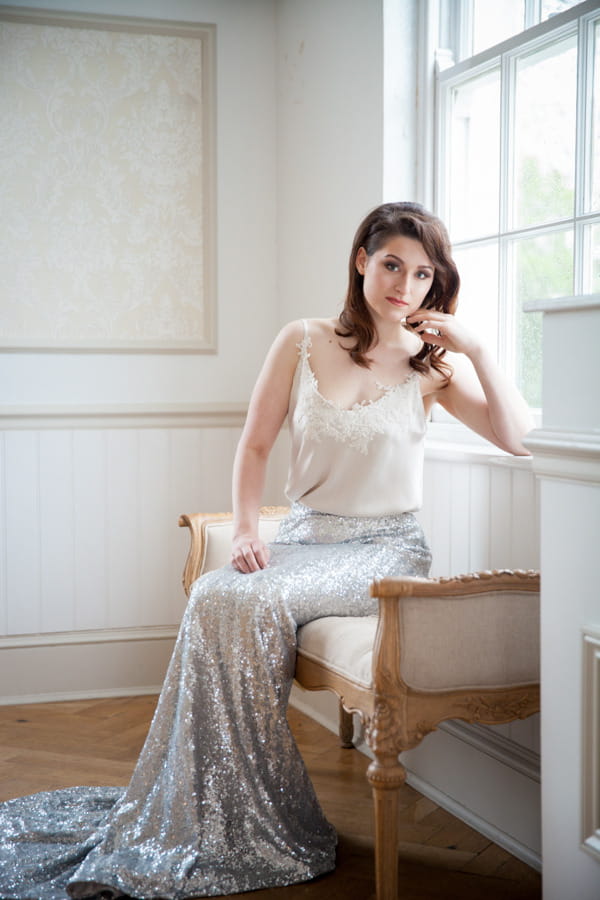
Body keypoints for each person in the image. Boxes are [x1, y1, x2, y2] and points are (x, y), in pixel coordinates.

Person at [0, 202, 532, 899]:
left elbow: (518, 438)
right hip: (305, 536)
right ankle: (209, 806)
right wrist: (248, 530)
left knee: (252, 600)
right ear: (361, 261)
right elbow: (253, 445)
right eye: (393, 264)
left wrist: (480, 351)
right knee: (219, 591)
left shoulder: (431, 367)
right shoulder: (302, 340)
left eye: (424, 273)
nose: (406, 284)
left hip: (384, 551)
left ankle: (257, 819)